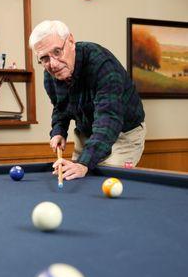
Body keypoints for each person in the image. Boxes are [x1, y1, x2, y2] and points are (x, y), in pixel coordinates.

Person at [29, 20, 146, 181]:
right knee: (78, 181)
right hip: (87, 134)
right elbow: (61, 107)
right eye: (44, 58)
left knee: (107, 183)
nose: (53, 64)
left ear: (70, 41)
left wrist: (84, 163)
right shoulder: (51, 75)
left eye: (57, 51)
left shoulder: (103, 65)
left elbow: (109, 120)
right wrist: (58, 131)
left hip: (122, 135)